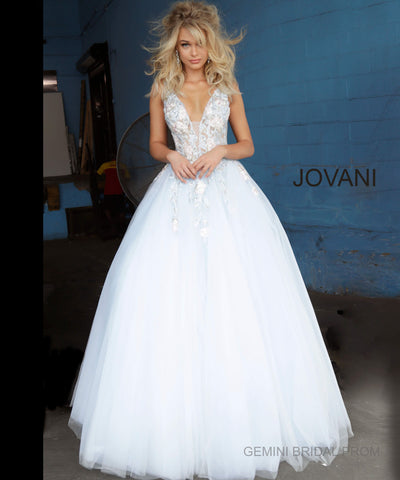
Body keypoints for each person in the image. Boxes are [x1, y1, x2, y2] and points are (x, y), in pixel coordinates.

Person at [68, 2, 354, 479]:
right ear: (175, 47)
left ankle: (241, 420)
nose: (193, 52)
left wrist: (221, 150)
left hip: (228, 194)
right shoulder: (162, 88)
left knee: (236, 294)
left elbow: (248, 145)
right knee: (169, 297)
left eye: (200, 43)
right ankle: (176, 431)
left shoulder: (228, 87)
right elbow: (154, 144)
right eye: (185, 44)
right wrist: (171, 157)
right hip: (177, 194)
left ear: (211, 45)